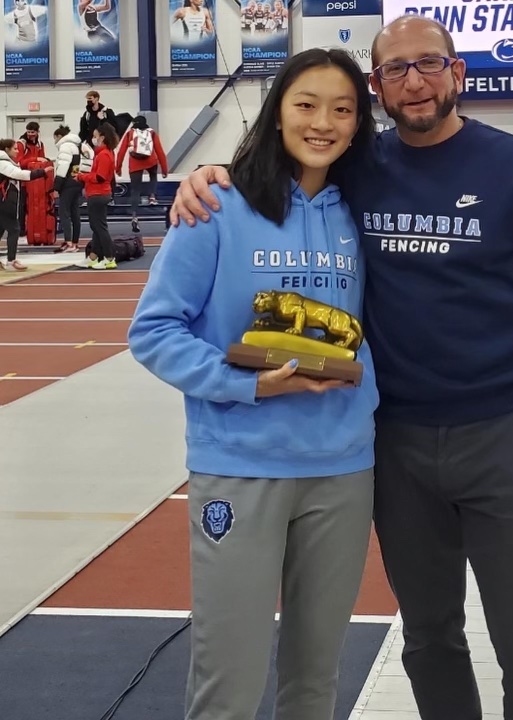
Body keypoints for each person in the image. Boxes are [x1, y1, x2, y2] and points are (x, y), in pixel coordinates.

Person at [170, 17, 513, 720]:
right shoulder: (360, 170)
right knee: (429, 636)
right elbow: (282, 163)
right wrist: (212, 172)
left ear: (458, 73)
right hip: (395, 442)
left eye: (429, 65)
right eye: (395, 70)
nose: (415, 81)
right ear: (379, 88)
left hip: (505, 432)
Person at [127, 48, 378, 720]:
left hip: (344, 468)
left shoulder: (368, 212)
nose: (323, 122)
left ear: (359, 125)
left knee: (315, 678)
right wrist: (248, 387)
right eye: (306, 104)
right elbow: (152, 332)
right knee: (229, 682)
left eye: (343, 109)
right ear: (276, 114)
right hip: (240, 466)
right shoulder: (217, 205)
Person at [0, 138, 51, 271]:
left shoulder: (7, 162)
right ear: (6, 150)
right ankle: (11, 261)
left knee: (1, 229)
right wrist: (41, 172)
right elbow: (19, 174)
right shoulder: (3, 163)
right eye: (14, 149)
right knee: (14, 229)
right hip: (4, 202)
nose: (17, 151)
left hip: (4, 201)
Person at [115, 115, 169, 234]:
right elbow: (160, 151)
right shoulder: (152, 133)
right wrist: (165, 169)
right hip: (151, 161)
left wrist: (118, 168)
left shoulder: (130, 133)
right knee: (153, 176)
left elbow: (121, 151)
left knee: (135, 190)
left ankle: (134, 216)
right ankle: (152, 197)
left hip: (135, 163)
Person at [76, 122, 118, 270]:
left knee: (100, 228)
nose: (93, 139)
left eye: (95, 136)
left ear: (102, 137)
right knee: (96, 227)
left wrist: (83, 177)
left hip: (99, 193)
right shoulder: (103, 154)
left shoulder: (104, 155)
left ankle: (109, 258)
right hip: (97, 193)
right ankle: (93, 257)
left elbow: (100, 177)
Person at [52, 125, 88, 253]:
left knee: (64, 212)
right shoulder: (80, 145)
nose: (54, 141)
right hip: (78, 180)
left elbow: (63, 166)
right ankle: (74, 242)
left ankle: (68, 242)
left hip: (67, 182)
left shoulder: (65, 146)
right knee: (74, 212)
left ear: (59, 136)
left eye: (55, 138)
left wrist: (56, 186)